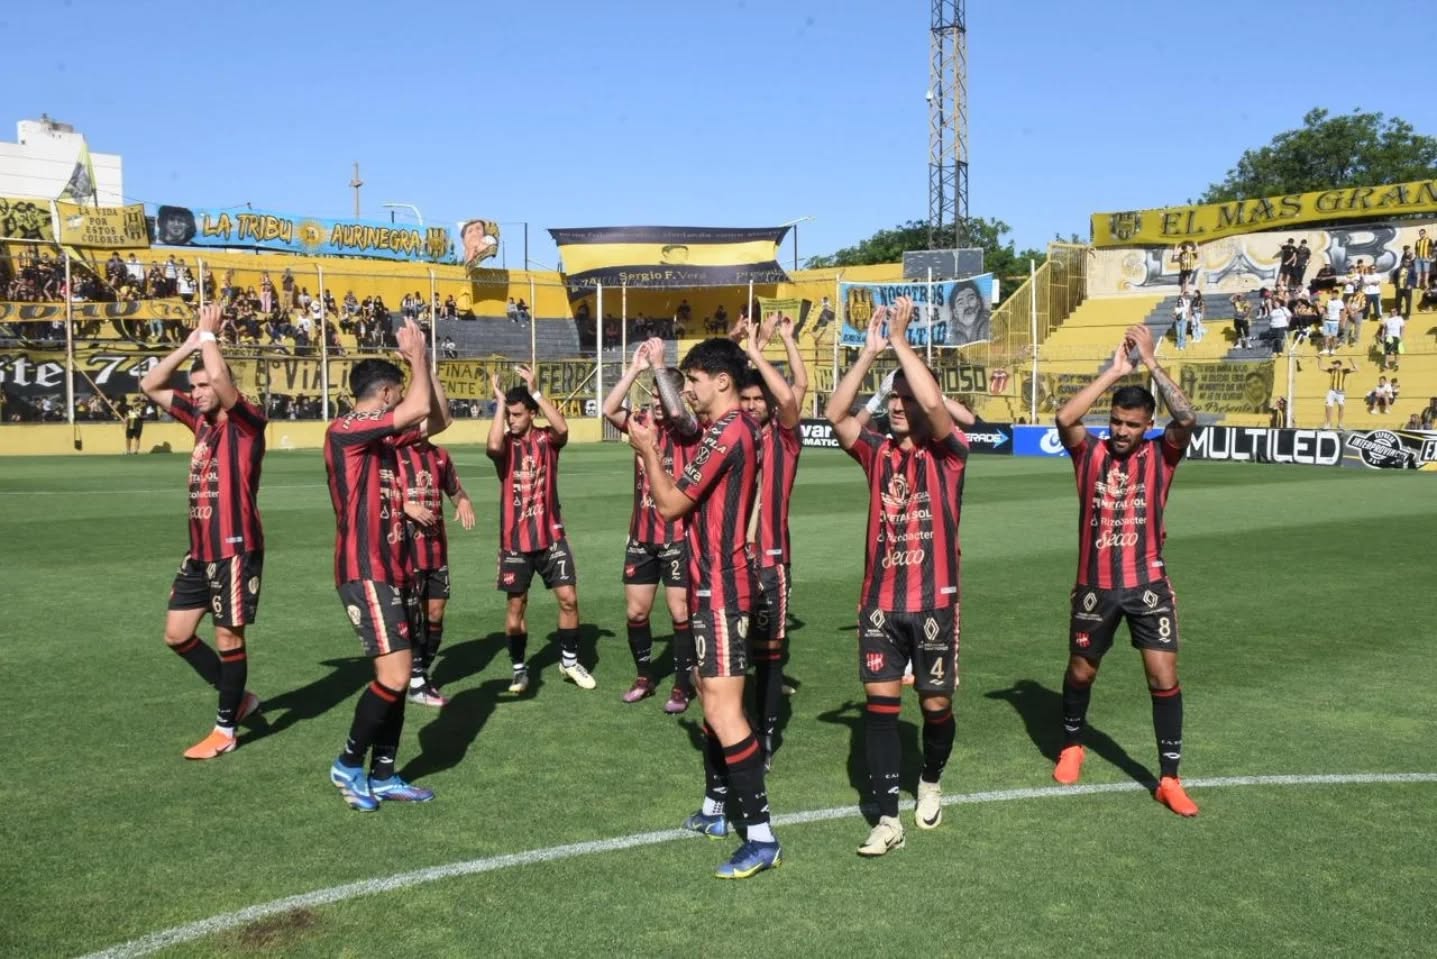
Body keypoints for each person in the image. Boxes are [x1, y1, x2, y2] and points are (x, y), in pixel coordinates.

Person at [627, 337, 782, 879]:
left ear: (721, 382)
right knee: (709, 698)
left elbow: (670, 506)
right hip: (708, 586)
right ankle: (718, 810)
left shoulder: (732, 428)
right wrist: (662, 370)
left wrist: (647, 449)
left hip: (722, 587)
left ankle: (761, 837)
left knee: (722, 710)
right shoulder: (725, 427)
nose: (687, 391)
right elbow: (683, 421)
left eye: (694, 380)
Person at [824, 296, 969, 856]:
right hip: (880, 605)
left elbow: (937, 404)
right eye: (897, 399)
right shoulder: (876, 450)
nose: (903, 406)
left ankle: (929, 780)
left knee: (935, 706)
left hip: (934, 603)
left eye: (909, 397)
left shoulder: (949, 454)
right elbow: (837, 415)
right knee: (879, 711)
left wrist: (905, 346)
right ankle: (887, 819)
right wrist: (870, 357)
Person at [1051, 323, 1199, 817]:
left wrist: (1153, 363)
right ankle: (1071, 745)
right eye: (1116, 421)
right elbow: (1064, 416)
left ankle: (1170, 778)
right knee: (1081, 671)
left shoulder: (1163, 453)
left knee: (1162, 676)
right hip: (1095, 587)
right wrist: (1113, 370)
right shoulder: (1088, 453)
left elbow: (1188, 417)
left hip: (1148, 586)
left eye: (1132, 425)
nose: (1120, 431)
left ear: (1146, 425)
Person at [324, 316, 448, 811]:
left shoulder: (381, 439)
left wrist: (425, 365)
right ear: (387, 393)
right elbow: (419, 407)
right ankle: (348, 765)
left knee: (396, 677)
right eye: (398, 395)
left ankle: (384, 773)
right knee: (395, 677)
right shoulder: (348, 429)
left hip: (394, 570)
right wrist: (417, 356)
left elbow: (437, 419)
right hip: (365, 569)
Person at [138, 303, 266, 759]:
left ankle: (225, 728)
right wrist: (190, 344)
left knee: (229, 638)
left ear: (224, 383)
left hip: (234, 548)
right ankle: (242, 699)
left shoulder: (247, 423)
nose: (198, 393)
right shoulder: (199, 422)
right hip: (199, 552)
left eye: (206, 384)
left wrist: (211, 340)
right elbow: (150, 384)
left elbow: (225, 386)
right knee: (177, 635)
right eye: (194, 387)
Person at [602, 339, 701, 710]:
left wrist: (660, 371)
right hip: (642, 537)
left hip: (677, 535)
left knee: (679, 612)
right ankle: (644, 675)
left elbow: (679, 415)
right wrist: (635, 370)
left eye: (663, 398)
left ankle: (681, 684)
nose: (657, 404)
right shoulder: (642, 425)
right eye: (654, 398)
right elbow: (611, 409)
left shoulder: (689, 431)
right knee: (636, 612)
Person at [487, 365, 594, 694]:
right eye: (509, 415)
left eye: (518, 415)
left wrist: (535, 391)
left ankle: (569, 662)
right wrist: (500, 402)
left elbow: (563, 428)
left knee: (568, 599)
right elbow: (492, 446)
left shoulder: (547, 440)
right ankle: (519, 670)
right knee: (516, 606)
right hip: (515, 543)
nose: (512, 420)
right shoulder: (505, 444)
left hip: (551, 538)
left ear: (531, 414)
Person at [737, 311, 808, 768]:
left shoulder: (784, 436)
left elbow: (791, 392)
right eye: (744, 399)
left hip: (769, 562)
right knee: (731, 658)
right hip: (728, 561)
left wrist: (764, 349)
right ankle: (735, 731)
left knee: (767, 657)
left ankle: (763, 737)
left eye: (757, 399)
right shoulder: (728, 434)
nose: (750, 405)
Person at [397, 436, 476, 708]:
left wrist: (463, 501)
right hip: (407, 550)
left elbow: (454, 489)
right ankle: (417, 679)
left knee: (436, 612)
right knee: (414, 616)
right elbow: (377, 495)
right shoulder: (394, 453)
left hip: (435, 548)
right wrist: (405, 506)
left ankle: (419, 673)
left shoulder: (440, 455)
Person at [1323, 359, 1357, 429]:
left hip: (1340, 392)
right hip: (1332, 391)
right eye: (1333, 364)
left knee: (1341, 406)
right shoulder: (1331, 370)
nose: (1333, 365)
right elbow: (1321, 367)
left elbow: (1356, 369)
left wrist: (1351, 361)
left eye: (1335, 364)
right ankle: (1328, 423)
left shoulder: (1344, 371)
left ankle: (1340, 423)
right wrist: (1319, 360)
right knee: (1328, 407)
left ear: (1339, 364)